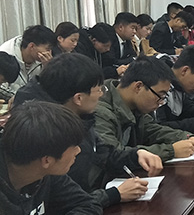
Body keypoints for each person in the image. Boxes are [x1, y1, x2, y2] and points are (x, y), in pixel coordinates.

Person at [13, 54, 159, 207]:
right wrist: (113, 195)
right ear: (78, 98)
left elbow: (103, 153)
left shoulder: (80, 116)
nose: (102, 94)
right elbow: (61, 203)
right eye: (99, 89)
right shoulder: (44, 133)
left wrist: (136, 155)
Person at [0, 101, 104, 215]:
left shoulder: (44, 173)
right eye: (74, 146)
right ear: (47, 160)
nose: (79, 151)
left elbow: (88, 205)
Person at [94, 56, 194, 162]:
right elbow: (114, 155)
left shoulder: (135, 107)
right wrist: (171, 151)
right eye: (160, 96)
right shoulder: (100, 111)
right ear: (138, 86)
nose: (161, 102)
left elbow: (153, 130)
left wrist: (188, 138)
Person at [0, 25, 57, 98]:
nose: (50, 53)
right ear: (32, 46)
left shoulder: (45, 60)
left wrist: (48, 69)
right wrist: (20, 97)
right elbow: (1, 88)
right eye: (47, 49)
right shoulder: (6, 55)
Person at [102, 12, 139, 78]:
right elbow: (111, 62)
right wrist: (129, 61)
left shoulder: (127, 40)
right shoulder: (109, 39)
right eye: (132, 28)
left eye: (135, 29)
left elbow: (133, 56)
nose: (135, 32)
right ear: (121, 27)